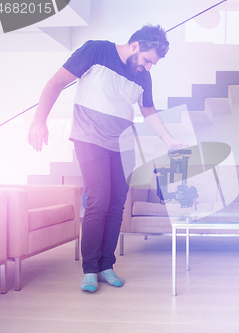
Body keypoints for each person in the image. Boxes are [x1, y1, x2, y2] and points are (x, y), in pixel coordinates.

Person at [27, 25, 187, 292]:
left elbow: (148, 111)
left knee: (116, 205)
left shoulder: (143, 76)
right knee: (99, 200)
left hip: (123, 144)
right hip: (89, 138)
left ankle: (106, 265)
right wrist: (39, 121)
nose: (148, 67)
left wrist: (169, 140)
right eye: (148, 60)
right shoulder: (96, 50)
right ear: (135, 45)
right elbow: (56, 81)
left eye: (153, 64)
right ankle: (90, 268)